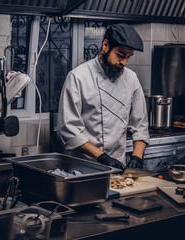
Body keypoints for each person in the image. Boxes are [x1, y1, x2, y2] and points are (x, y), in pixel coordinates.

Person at [57, 23, 150, 170]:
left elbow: (140, 126)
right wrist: (102, 156)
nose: (124, 63)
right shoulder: (78, 77)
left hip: (118, 166)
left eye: (128, 57)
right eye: (120, 55)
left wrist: (137, 157)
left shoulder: (131, 79)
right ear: (105, 45)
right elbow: (69, 129)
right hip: (83, 167)